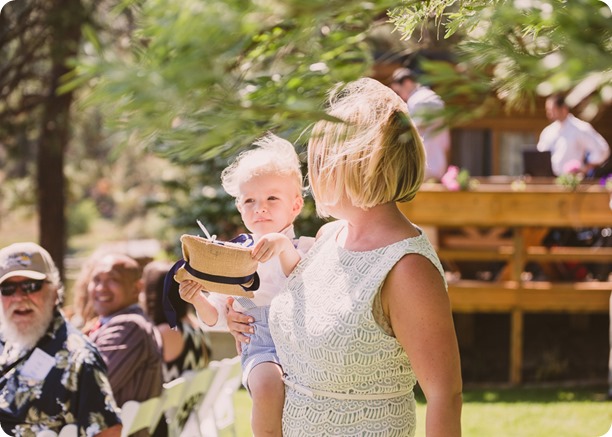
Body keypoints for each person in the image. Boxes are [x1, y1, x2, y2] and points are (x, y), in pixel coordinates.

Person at [228, 78, 463, 436]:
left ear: (355, 163)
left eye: (320, 159)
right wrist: (242, 319)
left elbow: (445, 396)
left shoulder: (408, 267)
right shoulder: (327, 237)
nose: (312, 172)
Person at [179, 133, 313, 436]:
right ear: (240, 208)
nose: (260, 208)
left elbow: (300, 277)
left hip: (303, 343)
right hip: (261, 341)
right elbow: (214, 315)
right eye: (250, 200)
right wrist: (198, 298)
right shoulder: (232, 257)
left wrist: (281, 245)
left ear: (295, 206)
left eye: (272, 199)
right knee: (266, 382)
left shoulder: (305, 246)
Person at [0, 242, 122, 436]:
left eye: (31, 286)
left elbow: (109, 431)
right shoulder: (6, 340)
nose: (18, 297)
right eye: (7, 289)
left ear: (55, 291)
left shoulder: (80, 360)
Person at [87, 253, 164, 408]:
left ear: (137, 287)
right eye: (96, 280)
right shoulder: (127, 322)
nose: (101, 288)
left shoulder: (128, 327)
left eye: (113, 280)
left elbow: (89, 387)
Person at [141, 259, 211, 382]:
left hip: (168, 401)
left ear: (153, 296)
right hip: (190, 399)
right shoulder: (194, 324)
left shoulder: (166, 333)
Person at [390, 67, 451, 181]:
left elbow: (411, 134)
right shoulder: (430, 96)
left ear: (407, 83)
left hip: (424, 166)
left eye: (398, 92)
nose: (401, 97)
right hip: (439, 163)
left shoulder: (419, 100)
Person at [537, 93, 610, 176]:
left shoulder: (580, 128)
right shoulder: (548, 131)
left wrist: (585, 168)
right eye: (548, 110)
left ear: (564, 109)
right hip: (549, 181)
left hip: (573, 181)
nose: (549, 113)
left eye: (552, 110)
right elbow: (540, 156)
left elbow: (602, 150)